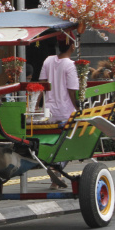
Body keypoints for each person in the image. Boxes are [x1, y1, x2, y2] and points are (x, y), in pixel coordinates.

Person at [37, 35, 79, 189]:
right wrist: (79, 109)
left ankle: (55, 177)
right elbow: (72, 91)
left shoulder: (48, 60)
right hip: (65, 111)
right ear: (72, 46)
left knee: (53, 142)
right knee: (71, 143)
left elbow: (42, 85)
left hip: (48, 110)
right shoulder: (70, 65)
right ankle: (56, 168)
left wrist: (38, 104)